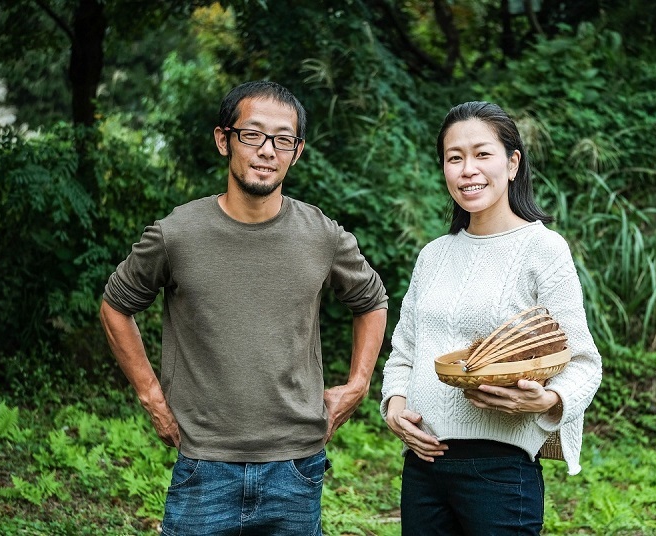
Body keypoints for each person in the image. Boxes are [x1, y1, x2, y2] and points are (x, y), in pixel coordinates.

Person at [100, 80, 388, 535]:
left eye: (282, 139)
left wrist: (358, 384)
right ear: (224, 140)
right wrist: (151, 396)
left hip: (295, 465)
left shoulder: (322, 235)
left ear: (297, 152)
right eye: (252, 134)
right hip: (203, 467)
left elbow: (371, 301)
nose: (267, 150)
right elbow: (116, 305)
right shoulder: (177, 234)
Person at [381, 101, 601, 535]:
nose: (467, 170)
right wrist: (394, 405)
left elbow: (583, 363)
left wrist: (549, 401)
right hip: (423, 468)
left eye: (482, 154)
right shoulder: (434, 255)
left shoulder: (543, 249)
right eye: (454, 157)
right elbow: (405, 352)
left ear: (512, 162)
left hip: (500, 471)